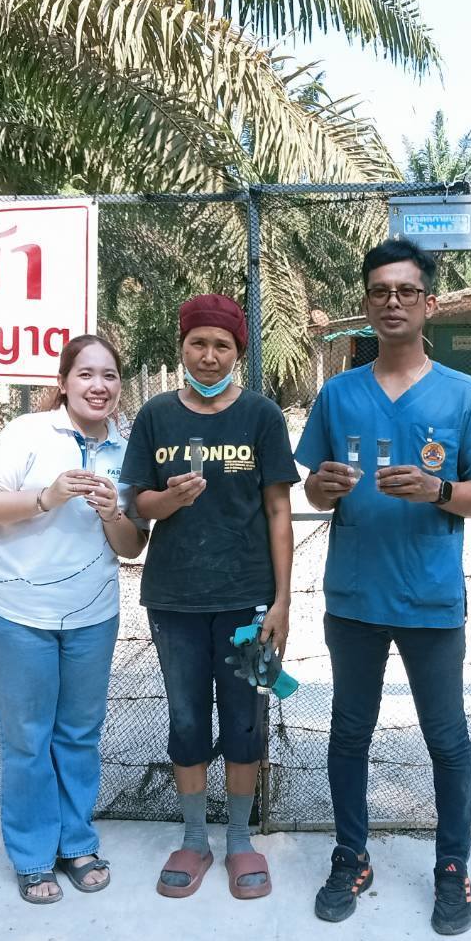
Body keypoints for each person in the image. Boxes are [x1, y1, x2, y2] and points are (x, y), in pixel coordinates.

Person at [296, 238, 471, 937]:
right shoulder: (339, 393)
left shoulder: (461, 394)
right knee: (348, 735)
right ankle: (350, 857)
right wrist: (323, 487)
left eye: (406, 291)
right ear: (366, 303)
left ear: (430, 303)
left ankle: (452, 866)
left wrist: (437, 489)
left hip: (430, 599)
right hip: (354, 596)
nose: (393, 302)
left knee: (446, 739)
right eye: (380, 291)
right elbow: (313, 489)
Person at [119, 293, 298, 900]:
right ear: (182, 347)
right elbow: (136, 502)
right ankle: (195, 839)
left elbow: (279, 510)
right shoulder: (156, 416)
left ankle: (240, 840)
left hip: (250, 603)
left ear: (238, 352)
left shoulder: (261, 417)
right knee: (188, 718)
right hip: (174, 600)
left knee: (246, 720)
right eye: (198, 342)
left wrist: (282, 600)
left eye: (222, 345)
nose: (210, 355)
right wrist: (168, 500)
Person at [0, 335, 148, 905]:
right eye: (86, 374)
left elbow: (131, 545)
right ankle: (32, 855)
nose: (99, 386)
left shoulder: (127, 450)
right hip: (18, 615)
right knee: (27, 739)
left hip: (92, 616)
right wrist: (46, 497)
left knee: (79, 736)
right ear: (63, 382)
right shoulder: (28, 432)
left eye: (110, 376)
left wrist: (113, 513)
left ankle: (77, 843)